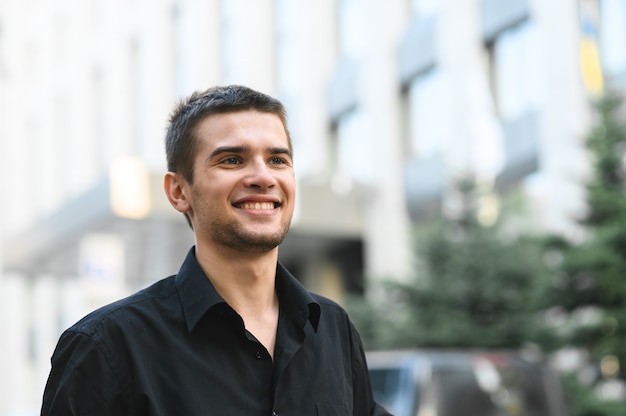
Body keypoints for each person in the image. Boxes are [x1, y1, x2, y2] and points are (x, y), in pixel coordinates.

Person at [41, 85, 392, 415]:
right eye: (232, 160)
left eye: (277, 160)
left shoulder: (333, 329)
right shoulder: (106, 347)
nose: (263, 177)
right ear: (179, 191)